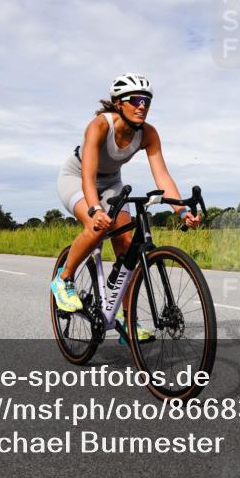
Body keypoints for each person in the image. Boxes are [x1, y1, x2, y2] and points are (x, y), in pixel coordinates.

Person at [52, 73, 200, 334]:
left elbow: (162, 175)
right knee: (97, 227)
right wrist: (95, 209)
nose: (142, 106)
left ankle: (127, 320)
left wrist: (181, 210)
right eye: (136, 100)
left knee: (127, 247)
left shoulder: (148, 134)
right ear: (118, 103)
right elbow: (87, 176)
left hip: (112, 182)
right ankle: (63, 280)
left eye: (147, 101)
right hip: (77, 177)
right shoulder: (100, 126)